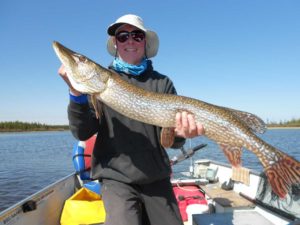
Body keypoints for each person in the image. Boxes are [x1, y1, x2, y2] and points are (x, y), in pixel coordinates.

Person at [58, 14, 204, 225]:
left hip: (156, 177)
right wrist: (76, 93)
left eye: (136, 35)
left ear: (145, 42)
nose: (130, 41)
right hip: (116, 178)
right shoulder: (100, 82)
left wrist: (181, 133)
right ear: (116, 43)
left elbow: (171, 141)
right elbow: (82, 132)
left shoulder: (162, 83)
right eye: (123, 36)